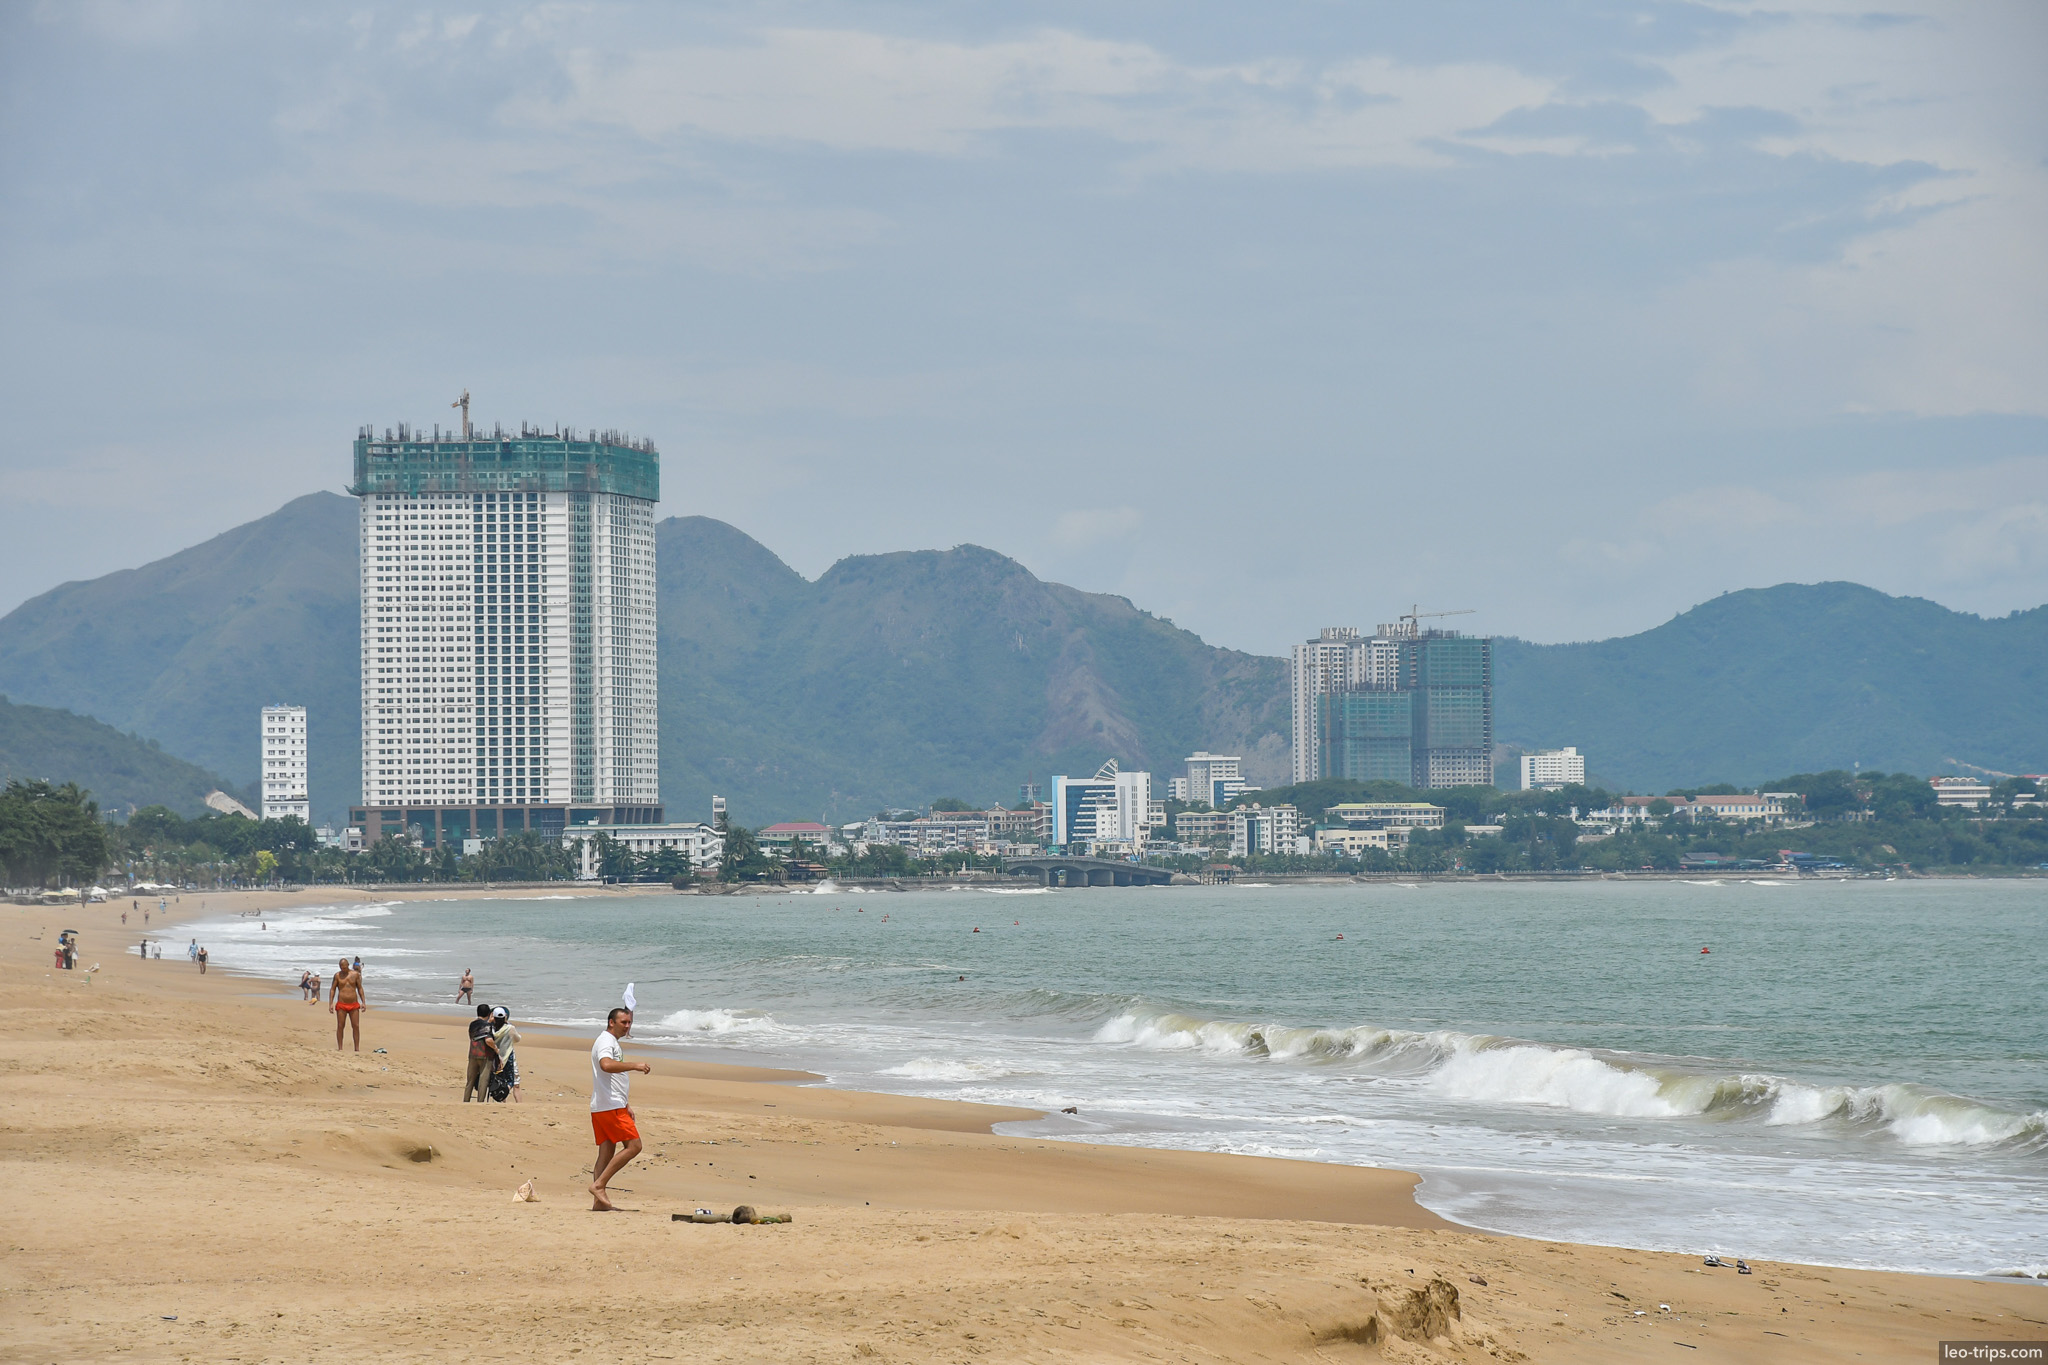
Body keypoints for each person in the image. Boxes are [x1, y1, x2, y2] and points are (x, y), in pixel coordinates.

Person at [589, 1006, 651, 1210]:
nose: (627, 1026)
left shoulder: (609, 1041)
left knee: (606, 1152)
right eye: (623, 1022)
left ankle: (599, 1204)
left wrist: (626, 1103)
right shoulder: (606, 1041)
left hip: (606, 1105)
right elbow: (606, 1065)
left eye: (629, 1022)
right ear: (611, 1022)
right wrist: (634, 1065)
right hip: (610, 1106)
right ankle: (599, 1186)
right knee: (634, 1146)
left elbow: (610, 1078)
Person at [463, 1004, 498, 1103]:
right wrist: (496, 1049)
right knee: (483, 1080)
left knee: (470, 1080)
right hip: (485, 1055)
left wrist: (489, 1022)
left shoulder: (472, 1024)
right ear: (488, 1013)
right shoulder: (487, 1026)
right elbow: (488, 1040)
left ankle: (466, 1100)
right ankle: (480, 1102)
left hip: (473, 1053)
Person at [330, 956, 365, 1051]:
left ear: (348, 965)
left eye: (344, 967)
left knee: (356, 1026)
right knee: (340, 1026)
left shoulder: (355, 975)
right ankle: (340, 1048)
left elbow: (360, 988)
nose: (343, 969)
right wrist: (331, 1003)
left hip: (353, 1004)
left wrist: (363, 1002)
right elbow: (332, 989)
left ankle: (357, 1049)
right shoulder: (337, 975)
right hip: (341, 1004)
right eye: (341, 967)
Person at [489, 1006, 522, 1104]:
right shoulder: (510, 1028)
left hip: (495, 1059)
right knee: (514, 1083)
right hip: (509, 1058)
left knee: (500, 1081)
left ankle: (503, 1102)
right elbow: (518, 1039)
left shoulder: (490, 1028)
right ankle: (518, 1104)